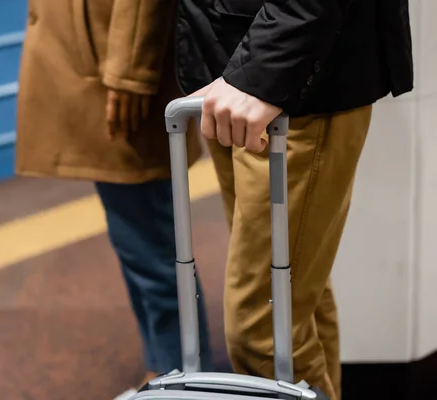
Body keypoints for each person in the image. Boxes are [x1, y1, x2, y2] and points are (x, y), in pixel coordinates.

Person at [174, 1, 413, 399]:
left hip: (289, 79)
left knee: (264, 333)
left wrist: (265, 69)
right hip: (230, 69)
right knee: (298, 302)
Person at [14, 1, 213, 398]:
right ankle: (167, 368)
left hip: (111, 66)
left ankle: (182, 377)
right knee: (138, 242)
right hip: (99, 57)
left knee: (151, 247)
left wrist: (129, 73)